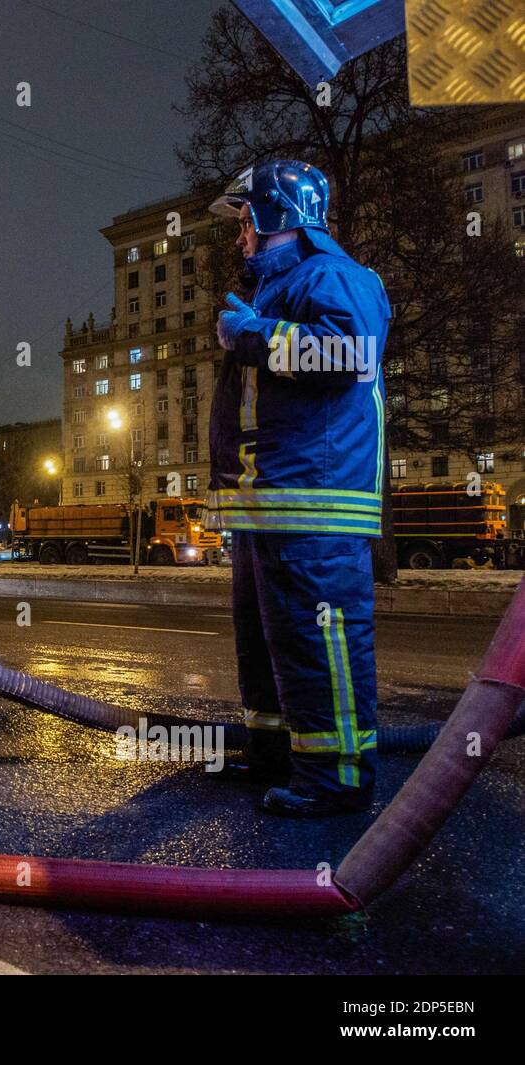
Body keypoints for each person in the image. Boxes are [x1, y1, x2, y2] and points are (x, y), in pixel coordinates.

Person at [206, 159, 390, 818]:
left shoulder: (334, 277)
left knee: (319, 640)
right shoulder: (282, 289)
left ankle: (336, 775)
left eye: (243, 225)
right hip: (271, 506)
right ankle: (276, 755)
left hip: (317, 506)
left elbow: (348, 354)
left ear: (264, 217)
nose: (239, 240)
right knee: (268, 641)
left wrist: (250, 336)